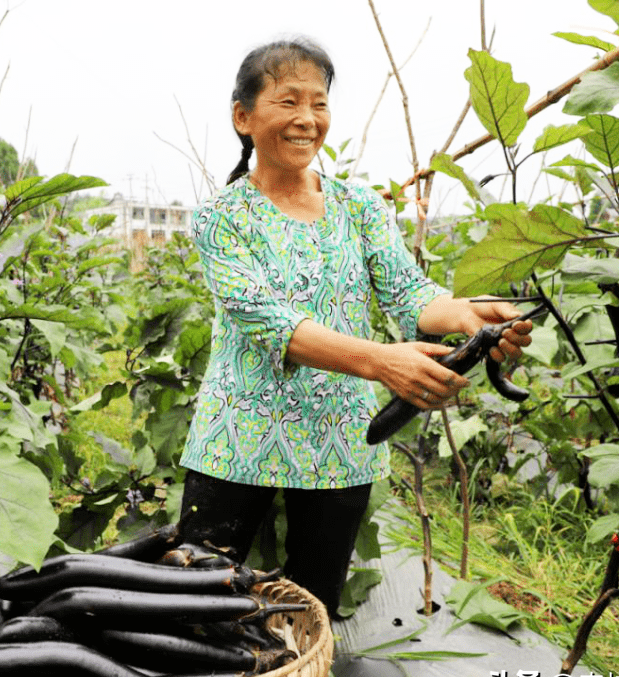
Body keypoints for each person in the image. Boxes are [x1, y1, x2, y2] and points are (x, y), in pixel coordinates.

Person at [175, 37, 532, 619]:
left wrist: (469, 313)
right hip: (237, 434)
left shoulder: (359, 206)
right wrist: (380, 361)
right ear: (243, 117)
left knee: (311, 605)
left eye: (318, 103)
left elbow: (409, 295)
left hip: (340, 438)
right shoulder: (222, 217)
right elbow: (272, 322)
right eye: (288, 101)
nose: (306, 119)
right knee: (193, 593)